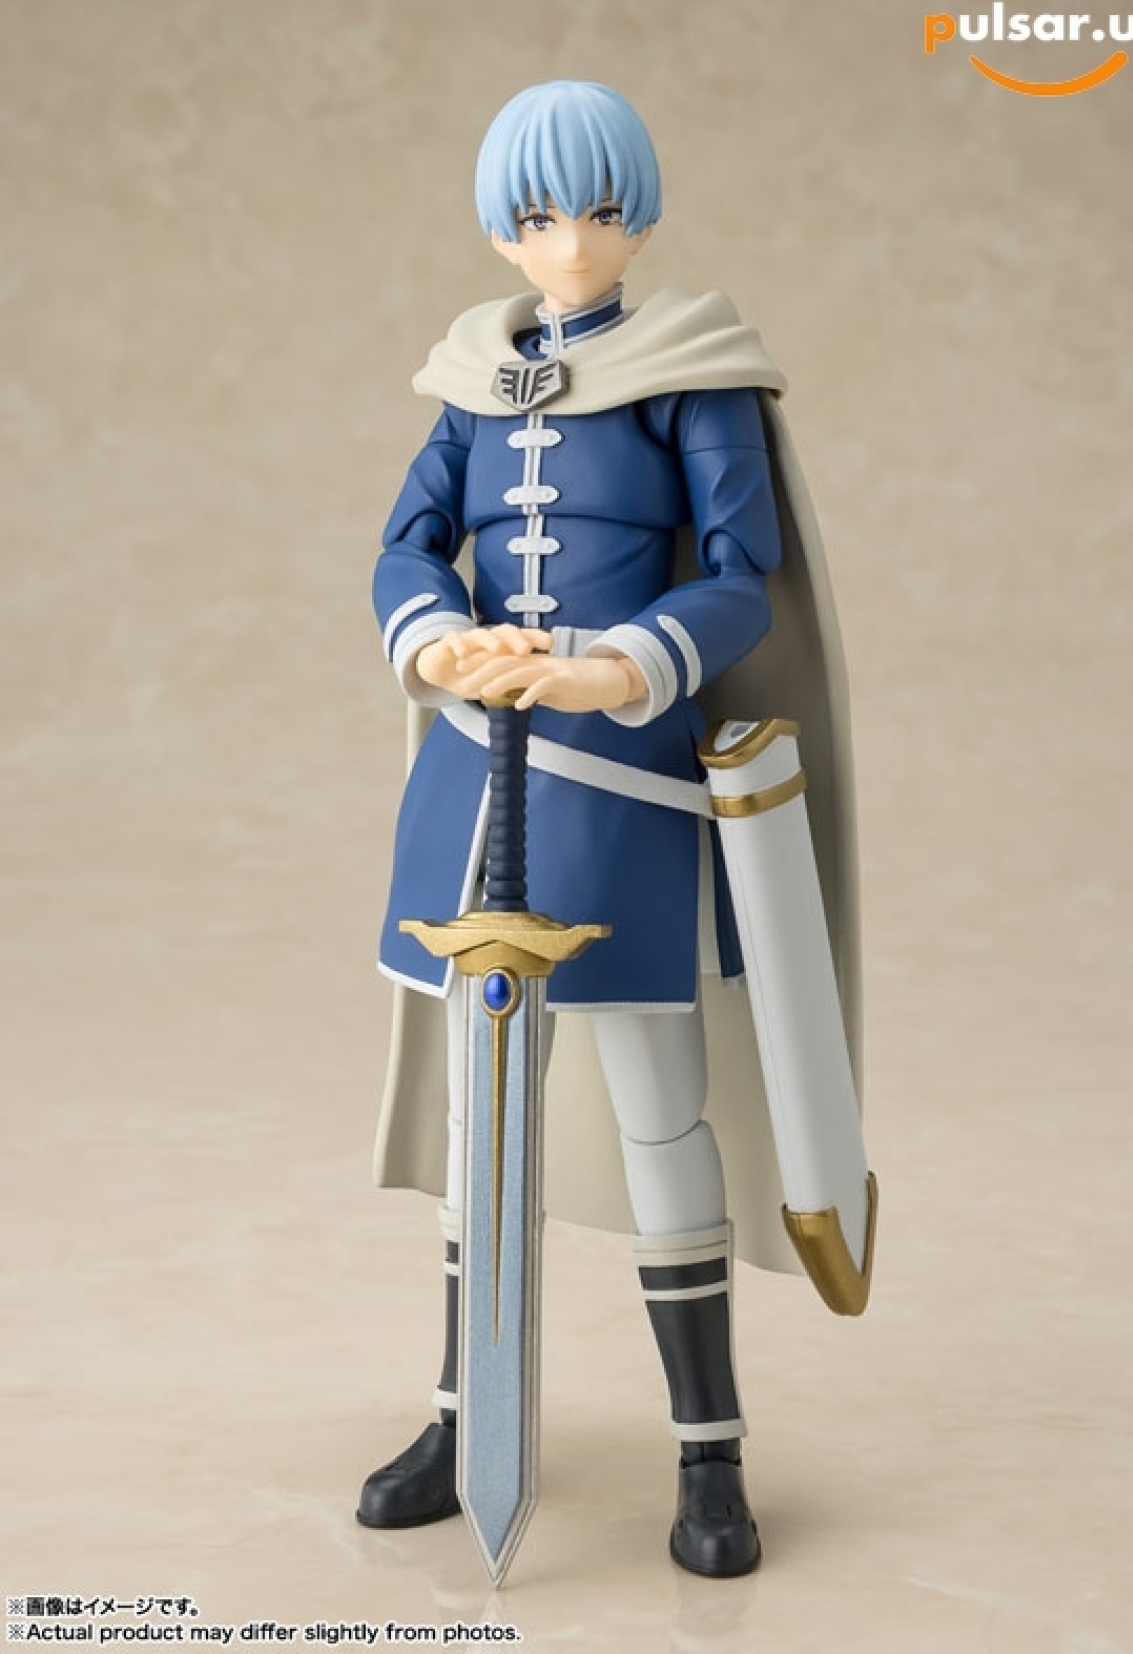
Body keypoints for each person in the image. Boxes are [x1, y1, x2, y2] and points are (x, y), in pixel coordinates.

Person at [356, 80, 860, 1579]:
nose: (569, 240)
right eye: (536, 215)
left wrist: (620, 665)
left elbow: (741, 576)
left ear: (636, 212)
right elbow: (405, 545)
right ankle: (462, 1414)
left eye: (595, 209)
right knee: (477, 1129)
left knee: (659, 1112)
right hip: (472, 784)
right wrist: (438, 638)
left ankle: (710, 1450)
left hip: (622, 784)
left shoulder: (693, 374)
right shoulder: (472, 381)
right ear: (500, 231)